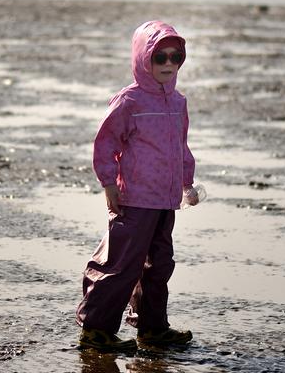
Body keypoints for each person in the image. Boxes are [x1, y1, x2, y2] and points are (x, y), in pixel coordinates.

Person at [76, 20, 199, 351]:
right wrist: (108, 184)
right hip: (134, 199)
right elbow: (105, 144)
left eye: (176, 57)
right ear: (143, 58)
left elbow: (180, 147)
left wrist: (187, 183)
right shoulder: (129, 101)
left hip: (165, 200)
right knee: (121, 264)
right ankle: (96, 330)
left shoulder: (177, 102)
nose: (169, 64)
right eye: (160, 57)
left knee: (159, 265)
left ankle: (152, 328)